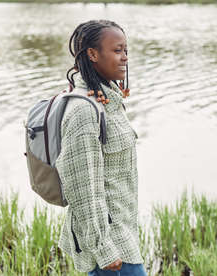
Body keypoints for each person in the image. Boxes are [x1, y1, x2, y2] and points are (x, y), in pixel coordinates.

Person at [55, 20, 147, 276]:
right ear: (93, 54)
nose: (125, 58)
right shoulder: (84, 111)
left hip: (123, 234)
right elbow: (82, 188)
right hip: (110, 248)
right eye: (117, 50)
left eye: (126, 50)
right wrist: (104, 249)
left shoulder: (107, 100)